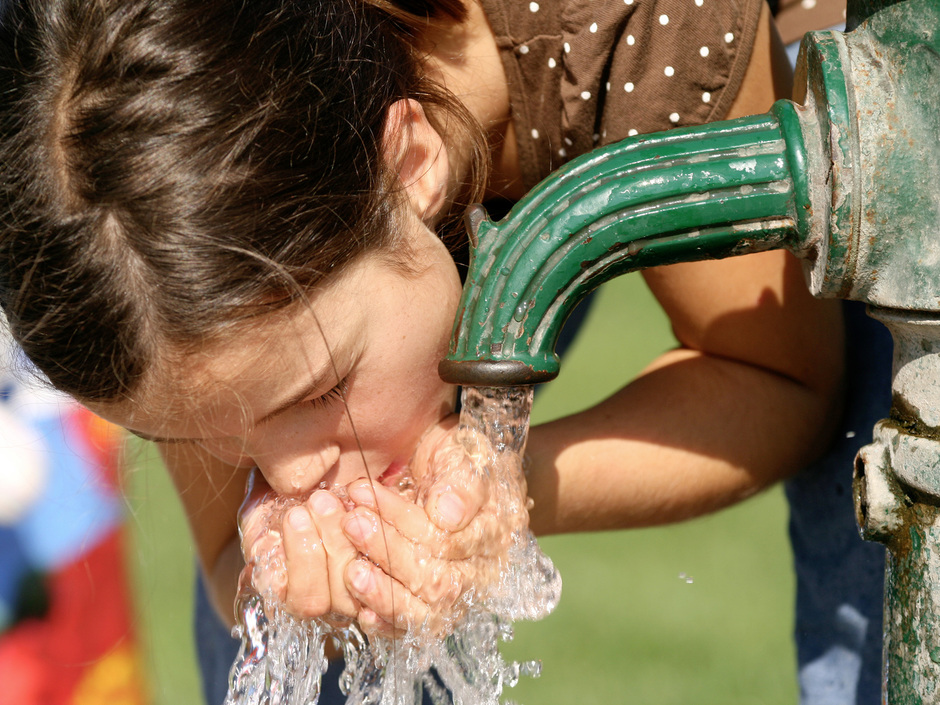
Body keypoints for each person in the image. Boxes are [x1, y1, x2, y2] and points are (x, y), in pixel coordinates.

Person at [0, 0, 853, 702]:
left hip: (784, 76)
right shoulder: (151, 231)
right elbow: (231, 560)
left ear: (410, 164)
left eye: (320, 392)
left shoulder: (642, 25)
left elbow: (782, 375)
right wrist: (305, 592)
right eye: (213, 435)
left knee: (878, 546)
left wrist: (504, 483)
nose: (291, 479)